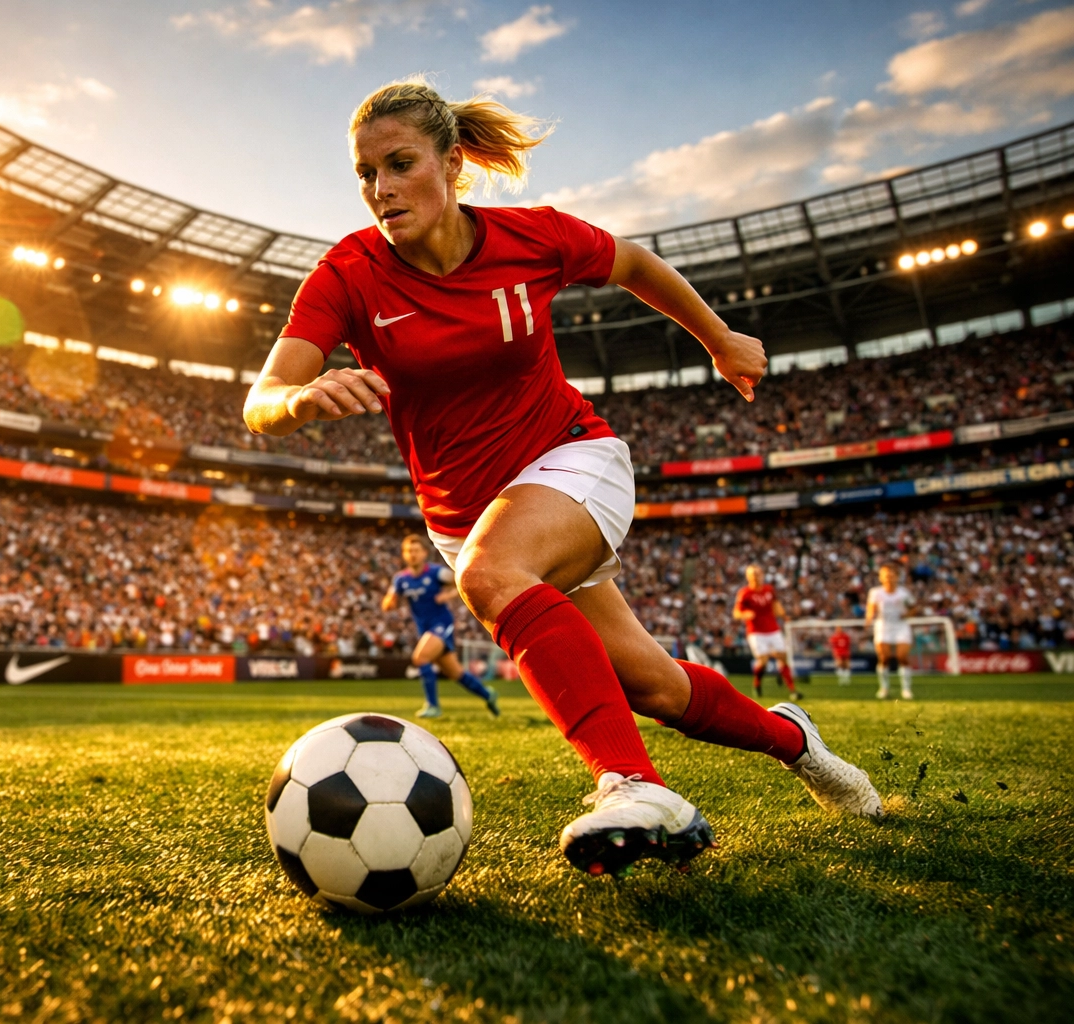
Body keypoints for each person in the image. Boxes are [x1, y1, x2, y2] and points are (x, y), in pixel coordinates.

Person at [243, 78, 881, 878]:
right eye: (365, 174)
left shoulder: (532, 237)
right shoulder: (348, 274)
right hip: (462, 518)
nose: (381, 189)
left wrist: (718, 338)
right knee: (655, 687)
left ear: (452, 162)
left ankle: (632, 786)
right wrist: (299, 401)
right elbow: (261, 402)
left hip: (572, 458)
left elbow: (635, 263)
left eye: (400, 164)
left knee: (493, 573)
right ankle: (797, 741)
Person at [380, 534, 500, 718]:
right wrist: (391, 601)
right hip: (424, 629)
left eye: (416, 550)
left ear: (424, 553)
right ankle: (488, 694)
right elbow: (387, 605)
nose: (412, 554)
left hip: (441, 624)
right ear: (404, 554)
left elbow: (462, 581)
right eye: (409, 551)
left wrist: (448, 595)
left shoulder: (437, 573)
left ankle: (433, 706)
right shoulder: (400, 579)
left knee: (420, 658)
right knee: (455, 673)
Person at [733, 565, 798, 698]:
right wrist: (745, 614)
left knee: (783, 657)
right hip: (756, 631)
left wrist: (784, 616)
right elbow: (736, 612)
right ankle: (757, 684)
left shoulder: (769, 590)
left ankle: (793, 691)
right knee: (763, 661)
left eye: (758, 574)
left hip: (773, 629)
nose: (756, 577)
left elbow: (776, 605)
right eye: (753, 575)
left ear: (762, 575)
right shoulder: (744, 593)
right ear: (748, 577)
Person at [866, 563, 915, 700]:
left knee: (902, 656)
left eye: (891, 575)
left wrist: (907, 614)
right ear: (881, 577)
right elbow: (871, 608)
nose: (888, 578)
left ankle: (906, 689)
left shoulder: (903, 593)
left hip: (901, 626)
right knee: (884, 657)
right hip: (883, 626)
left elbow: (913, 607)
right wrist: (869, 618)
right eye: (886, 575)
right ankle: (884, 688)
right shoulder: (875, 592)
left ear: (897, 577)